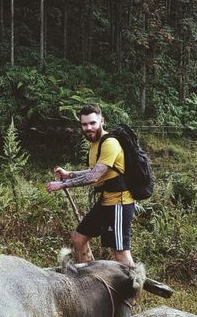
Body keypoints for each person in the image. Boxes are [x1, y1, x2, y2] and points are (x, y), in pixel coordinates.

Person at [46, 104, 135, 267]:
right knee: (79, 238)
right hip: (105, 201)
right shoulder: (95, 143)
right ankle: (91, 278)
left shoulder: (110, 143)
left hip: (119, 203)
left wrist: (63, 184)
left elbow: (94, 176)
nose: (88, 128)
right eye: (84, 124)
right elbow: (95, 170)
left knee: (120, 253)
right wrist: (69, 174)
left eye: (92, 123)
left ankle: (134, 283)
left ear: (102, 121)